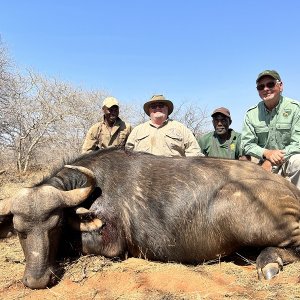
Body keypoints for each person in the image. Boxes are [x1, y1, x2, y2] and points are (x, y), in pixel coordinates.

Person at [241, 69, 300, 189]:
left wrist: (272, 160)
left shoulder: (295, 109)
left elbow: (297, 143)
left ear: (280, 85)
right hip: (261, 159)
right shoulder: (251, 114)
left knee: (299, 162)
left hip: (287, 159)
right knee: (240, 165)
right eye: (261, 87)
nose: (265, 89)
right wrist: (266, 154)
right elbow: (247, 144)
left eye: (270, 84)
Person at [125, 94, 202, 157]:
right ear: (149, 111)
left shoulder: (181, 128)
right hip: (142, 174)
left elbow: (194, 153)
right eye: (153, 106)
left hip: (174, 174)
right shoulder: (137, 130)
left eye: (161, 105)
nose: (157, 108)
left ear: (167, 109)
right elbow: (128, 154)